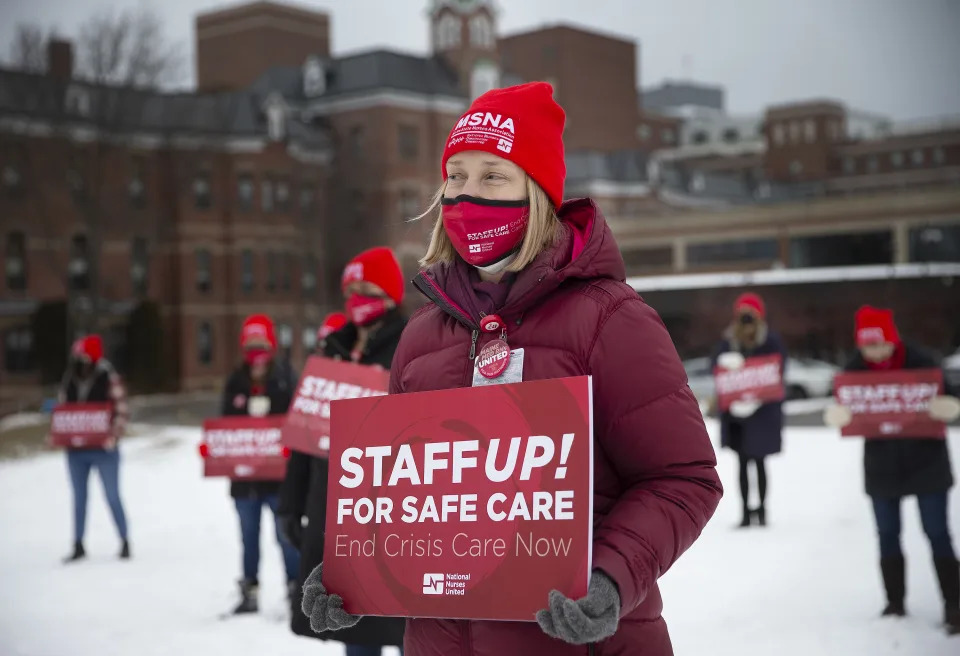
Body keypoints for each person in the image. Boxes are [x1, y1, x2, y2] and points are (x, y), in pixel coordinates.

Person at [300, 82, 722, 654]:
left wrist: (609, 577)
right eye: (456, 176)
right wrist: (350, 575)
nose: (467, 193)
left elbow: (683, 479)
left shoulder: (611, 318)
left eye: (493, 176)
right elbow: (404, 497)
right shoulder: (421, 336)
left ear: (538, 193)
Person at [278, 247, 407, 655]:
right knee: (352, 625)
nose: (356, 299)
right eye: (350, 290)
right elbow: (305, 437)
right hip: (335, 515)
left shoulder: (412, 344)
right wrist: (290, 503)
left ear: (389, 293)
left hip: (394, 516)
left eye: (365, 289)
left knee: (409, 630)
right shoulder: (330, 349)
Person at [824, 305, 960, 635]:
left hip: (928, 464)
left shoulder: (923, 361)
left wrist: (949, 406)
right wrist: (838, 413)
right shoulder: (854, 370)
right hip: (882, 467)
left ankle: (954, 606)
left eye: (879, 344)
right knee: (887, 535)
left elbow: (952, 395)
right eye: (867, 346)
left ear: (892, 340)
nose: (874, 352)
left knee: (937, 534)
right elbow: (845, 402)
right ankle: (895, 602)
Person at [220, 314, 300, 614]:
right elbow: (224, 426)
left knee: (286, 538)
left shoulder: (286, 378)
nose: (256, 351)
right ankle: (249, 591)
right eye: (251, 344)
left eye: (261, 343)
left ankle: (294, 590)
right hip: (244, 483)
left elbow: (298, 422)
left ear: (272, 345)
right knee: (248, 539)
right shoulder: (235, 381)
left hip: (278, 481)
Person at [712, 292, 786, 528]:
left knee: (760, 462)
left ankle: (762, 510)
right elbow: (715, 367)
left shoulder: (770, 341)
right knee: (742, 464)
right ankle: (745, 511)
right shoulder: (728, 342)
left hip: (762, 415)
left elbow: (778, 368)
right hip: (737, 419)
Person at [60, 334, 130, 563]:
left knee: (112, 495)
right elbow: (62, 409)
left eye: (83, 355)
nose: (80, 360)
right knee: (79, 497)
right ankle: (78, 543)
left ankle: (124, 540)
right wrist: (60, 435)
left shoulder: (108, 377)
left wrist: (113, 435)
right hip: (76, 451)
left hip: (104, 450)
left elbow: (122, 411)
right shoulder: (70, 378)